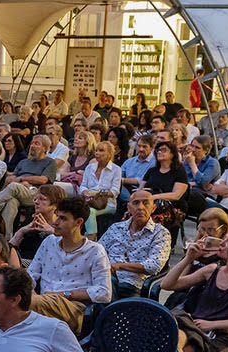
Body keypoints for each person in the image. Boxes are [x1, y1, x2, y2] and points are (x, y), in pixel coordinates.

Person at [26, 196, 112, 333]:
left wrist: (63, 294)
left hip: (74, 308)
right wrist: (27, 291)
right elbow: (31, 274)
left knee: (23, 303)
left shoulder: (95, 251)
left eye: (63, 218)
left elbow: (104, 292)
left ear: (78, 222)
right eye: (57, 216)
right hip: (41, 301)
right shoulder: (49, 242)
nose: (56, 222)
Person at [99, 189, 172, 298]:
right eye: (136, 203)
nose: (140, 207)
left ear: (153, 208)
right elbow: (97, 252)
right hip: (104, 279)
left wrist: (119, 266)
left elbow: (154, 266)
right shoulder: (116, 228)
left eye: (146, 203)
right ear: (129, 208)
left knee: (104, 290)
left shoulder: (161, 233)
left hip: (130, 285)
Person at [0, 135, 58, 229]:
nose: (32, 146)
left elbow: (43, 179)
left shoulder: (50, 162)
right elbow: (12, 177)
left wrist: (22, 179)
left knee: (13, 186)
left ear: (45, 148)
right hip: (19, 189)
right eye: (32, 143)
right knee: (11, 203)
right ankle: (6, 237)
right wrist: (17, 181)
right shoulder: (23, 162)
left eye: (36, 143)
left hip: (36, 193)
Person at [79, 140, 122, 235]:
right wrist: (86, 193)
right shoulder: (89, 167)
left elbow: (115, 192)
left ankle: (92, 237)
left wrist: (99, 193)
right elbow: (83, 186)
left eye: (101, 150)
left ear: (110, 153)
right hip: (89, 200)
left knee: (89, 211)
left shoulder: (116, 169)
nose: (97, 153)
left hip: (107, 204)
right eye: (96, 150)